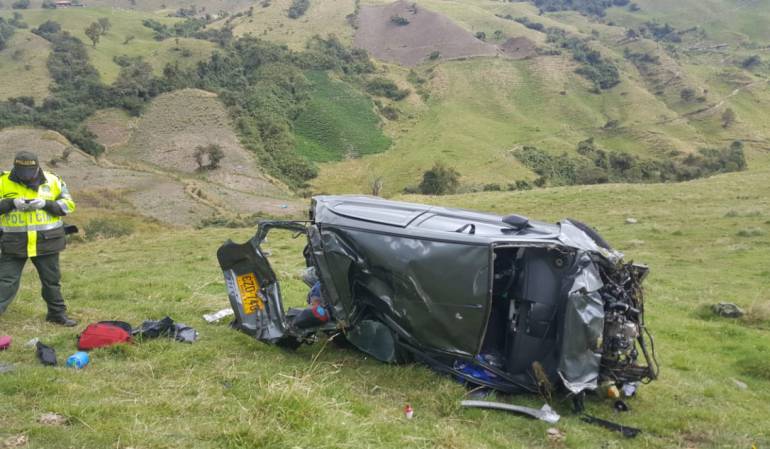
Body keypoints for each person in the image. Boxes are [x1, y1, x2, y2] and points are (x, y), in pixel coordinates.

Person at [0, 151, 77, 326]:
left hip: (47, 241)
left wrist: (46, 204)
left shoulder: (53, 180)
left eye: (30, 171)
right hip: (13, 243)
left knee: (52, 281)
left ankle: (57, 315)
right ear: (15, 167)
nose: (26, 176)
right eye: (21, 171)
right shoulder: (2, 181)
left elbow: (68, 205)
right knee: (5, 282)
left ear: (37, 167)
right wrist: (10, 204)